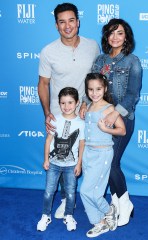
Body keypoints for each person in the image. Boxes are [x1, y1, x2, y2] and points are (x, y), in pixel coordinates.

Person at [38, 3, 99, 219]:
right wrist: (47, 113)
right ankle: (65, 200)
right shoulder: (48, 51)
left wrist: (86, 102)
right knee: (62, 156)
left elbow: (97, 79)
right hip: (60, 115)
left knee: (89, 155)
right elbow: (43, 84)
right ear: (56, 25)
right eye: (62, 22)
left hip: (88, 112)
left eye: (71, 20)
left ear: (78, 22)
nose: (67, 26)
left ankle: (95, 198)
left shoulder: (93, 46)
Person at [80, 18, 142, 227]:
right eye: (111, 33)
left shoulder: (133, 61)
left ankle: (124, 204)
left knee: (112, 163)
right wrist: (83, 103)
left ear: (126, 37)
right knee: (106, 165)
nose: (115, 37)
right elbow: (91, 85)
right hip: (99, 118)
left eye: (120, 33)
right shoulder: (100, 60)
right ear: (106, 36)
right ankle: (116, 203)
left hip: (122, 118)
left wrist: (115, 113)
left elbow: (133, 94)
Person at [80, 73, 126, 238]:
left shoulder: (109, 109)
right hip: (88, 154)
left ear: (105, 88)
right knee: (92, 190)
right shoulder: (88, 107)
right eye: (91, 89)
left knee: (86, 191)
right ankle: (99, 222)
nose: (94, 93)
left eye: (98, 89)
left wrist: (106, 129)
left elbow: (122, 130)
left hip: (102, 153)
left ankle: (109, 210)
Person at [37, 87, 85, 232]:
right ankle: (45, 215)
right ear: (58, 104)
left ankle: (68, 216)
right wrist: (46, 159)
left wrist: (79, 163)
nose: (66, 106)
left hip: (71, 166)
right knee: (48, 192)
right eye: (63, 103)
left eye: (70, 102)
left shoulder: (82, 123)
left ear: (77, 103)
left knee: (70, 193)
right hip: (53, 164)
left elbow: (82, 144)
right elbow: (48, 141)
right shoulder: (54, 120)